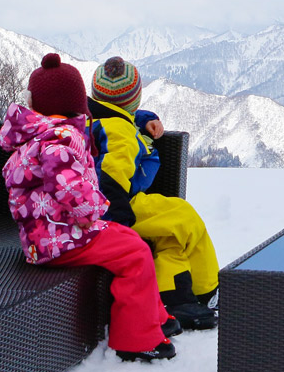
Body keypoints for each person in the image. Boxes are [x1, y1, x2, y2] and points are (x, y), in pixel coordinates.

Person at [0, 53, 177, 363]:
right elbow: (68, 188)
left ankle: (155, 317)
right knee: (135, 254)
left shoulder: (40, 132)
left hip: (50, 234)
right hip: (60, 240)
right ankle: (136, 340)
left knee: (127, 238)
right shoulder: (59, 138)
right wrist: (96, 207)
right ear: (76, 102)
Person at [89, 56, 221, 329]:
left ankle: (175, 298)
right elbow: (109, 178)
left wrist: (146, 119)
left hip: (116, 204)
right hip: (119, 209)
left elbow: (120, 116)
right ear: (135, 98)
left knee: (170, 238)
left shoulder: (105, 118)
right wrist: (118, 226)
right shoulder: (119, 132)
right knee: (184, 218)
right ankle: (207, 291)